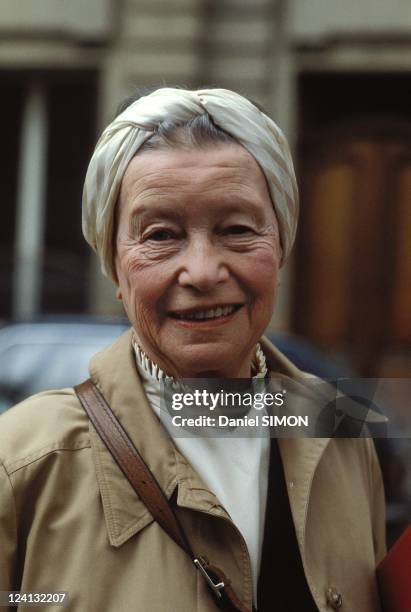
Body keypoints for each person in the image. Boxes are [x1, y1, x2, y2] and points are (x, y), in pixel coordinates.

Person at [0, 87, 385, 611]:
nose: (202, 272)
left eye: (236, 230)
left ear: (280, 245)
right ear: (115, 263)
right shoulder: (21, 461)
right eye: (161, 234)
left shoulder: (342, 427)